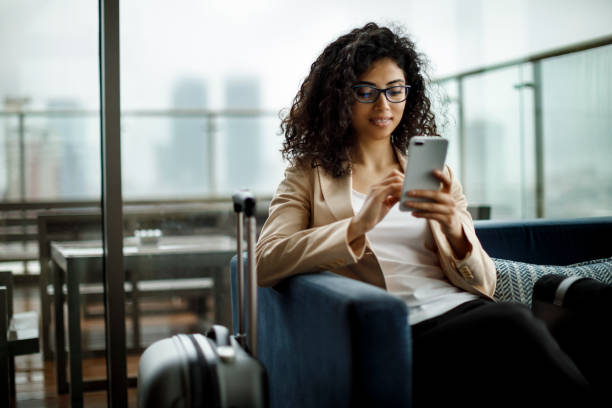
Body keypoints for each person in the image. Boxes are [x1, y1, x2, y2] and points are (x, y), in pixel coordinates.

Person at [255, 22, 593, 407]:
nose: (383, 106)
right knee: (513, 324)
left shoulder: (435, 172)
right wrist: (357, 226)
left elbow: (483, 283)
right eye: (366, 91)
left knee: (580, 312)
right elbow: (265, 261)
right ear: (339, 98)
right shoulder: (308, 175)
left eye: (395, 91)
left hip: (465, 310)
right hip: (400, 328)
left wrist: (455, 230)